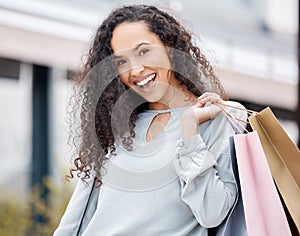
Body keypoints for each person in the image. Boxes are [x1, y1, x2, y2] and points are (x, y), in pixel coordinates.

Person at [54, 4, 247, 236]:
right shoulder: (119, 126)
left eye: (143, 51)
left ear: (171, 48)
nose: (135, 70)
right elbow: (78, 214)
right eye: (122, 62)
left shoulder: (222, 115)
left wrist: (189, 130)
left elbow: (214, 212)